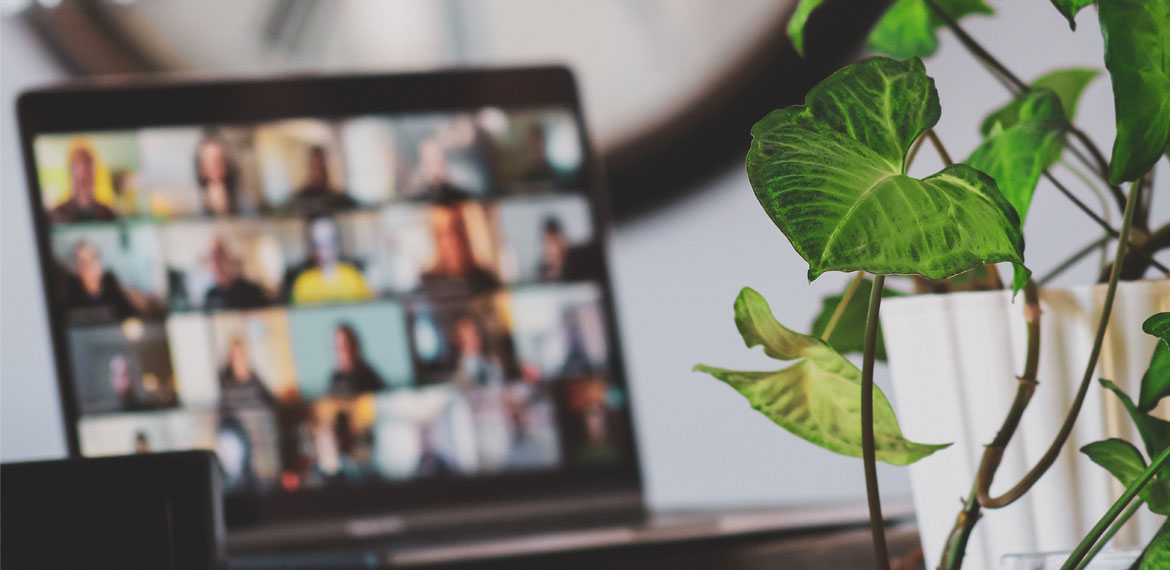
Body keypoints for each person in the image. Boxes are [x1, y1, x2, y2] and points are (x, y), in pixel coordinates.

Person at [288, 217, 373, 305]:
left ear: (337, 243)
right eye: (318, 244)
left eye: (328, 242)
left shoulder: (354, 277)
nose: (324, 250)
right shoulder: (303, 282)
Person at [420, 205, 500, 294]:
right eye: (443, 234)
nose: (453, 240)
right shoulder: (427, 284)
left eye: (458, 230)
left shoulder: (487, 280)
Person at [63, 240, 137, 322]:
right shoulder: (69, 293)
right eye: (82, 262)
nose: (88, 266)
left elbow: (131, 317)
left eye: (93, 258)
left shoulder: (112, 286)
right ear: (76, 268)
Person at [48, 146, 118, 223]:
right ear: (72, 173)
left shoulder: (108, 214)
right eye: (79, 165)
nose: (85, 174)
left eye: (89, 166)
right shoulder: (57, 214)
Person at [286, 145, 358, 215]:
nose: (318, 171)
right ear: (308, 166)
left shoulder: (340, 198)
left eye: (321, 165)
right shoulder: (298, 199)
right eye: (315, 166)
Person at [203, 237, 268, 310]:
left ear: (230, 257)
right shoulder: (210, 295)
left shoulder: (252, 291)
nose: (216, 262)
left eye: (220, 255)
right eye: (211, 257)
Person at [218, 338, 276, 411]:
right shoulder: (224, 379)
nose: (238, 360)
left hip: (256, 418)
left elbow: (271, 400)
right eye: (234, 356)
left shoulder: (254, 378)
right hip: (234, 420)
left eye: (240, 355)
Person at [328, 324, 386, 396]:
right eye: (339, 348)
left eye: (348, 346)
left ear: (356, 346)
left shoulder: (370, 378)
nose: (345, 352)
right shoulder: (334, 381)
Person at [537, 216, 601, 282]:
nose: (551, 249)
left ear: (564, 241)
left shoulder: (581, 262)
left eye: (554, 241)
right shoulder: (541, 271)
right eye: (546, 242)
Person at [415, 138, 473, 203]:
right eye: (429, 163)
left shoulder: (464, 198)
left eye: (439, 163)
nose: (435, 170)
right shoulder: (414, 203)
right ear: (422, 166)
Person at [451, 316, 503, 389]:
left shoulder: (493, 362)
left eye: (476, 333)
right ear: (458, 339)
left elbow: (500, 387)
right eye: (468, 335)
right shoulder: (455, 373)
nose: (474, 339)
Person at [194, 136, 240, 216]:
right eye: (210, 161)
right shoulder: (194, 205)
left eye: (219, 160)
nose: (215, 166)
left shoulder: (245, 201)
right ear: (201, 167)